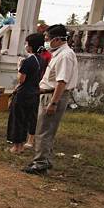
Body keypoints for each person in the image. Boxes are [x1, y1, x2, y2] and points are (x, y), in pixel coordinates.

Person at [23, 24, 79, 175]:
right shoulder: (59, 53)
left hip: (54, 95)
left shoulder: (65, 55)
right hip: (48, 93)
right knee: (46, 129)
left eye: (47, 38)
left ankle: (40, 164)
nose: (46, 41)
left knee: (44, 130)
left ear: (57, 39)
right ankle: (44, 160)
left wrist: (53, 102)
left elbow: (62, 82)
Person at [7, 33, 46, 153]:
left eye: (26, 43)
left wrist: (19, 68)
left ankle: (16, 146)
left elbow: (21, 79)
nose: (25, 46)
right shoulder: (41, 60)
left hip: (23, 93)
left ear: (30, 46)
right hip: (34, 92)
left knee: (17, 119)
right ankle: (22, 145)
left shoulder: (27, 61)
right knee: (26, 120)